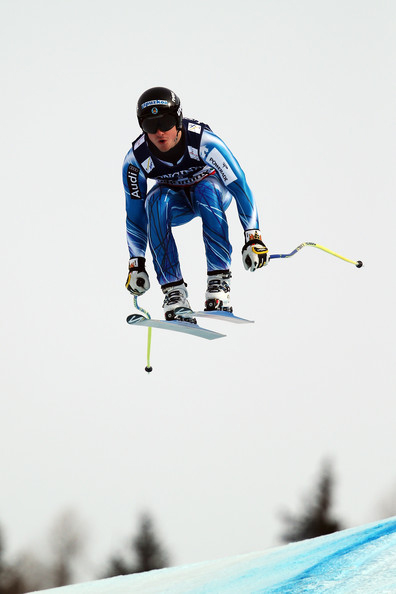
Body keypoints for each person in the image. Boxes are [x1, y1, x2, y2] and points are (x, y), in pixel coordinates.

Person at [123, 86, 269, 322]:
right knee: (154, 201)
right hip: (176, 202)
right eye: (151, 126)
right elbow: (134, 214)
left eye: (167, 122)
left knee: (205, 188)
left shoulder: (203, 141)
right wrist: (136, 263)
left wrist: (253, 237)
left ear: (178, 120)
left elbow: (239, 186)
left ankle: (219, 283)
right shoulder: (136, 159)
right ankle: (174, 293)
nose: (160, 132)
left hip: (212, 195)